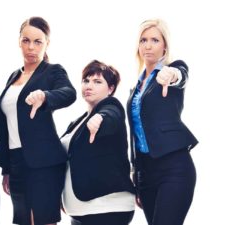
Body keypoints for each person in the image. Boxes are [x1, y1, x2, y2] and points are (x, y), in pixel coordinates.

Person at [0, 16, 76, 225]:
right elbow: (7, 124)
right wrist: (6, 168)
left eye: (38, 41)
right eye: (26, 40)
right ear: (19, 41)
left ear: (47, 43)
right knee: (23, 220)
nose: (31, 47)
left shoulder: (52, 71)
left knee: (42, 220)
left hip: (44, 161)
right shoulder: (13, 76)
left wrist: (45, 97)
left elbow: (69, 93)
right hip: (16, 161)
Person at [127, 19, 198, 225]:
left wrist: (171, 74)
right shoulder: (136, 87)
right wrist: (136, 174)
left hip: (174, 167)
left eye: (155, 40)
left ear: (165, 45)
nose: (148, 45)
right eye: (143, 40)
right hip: (145, 173)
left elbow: (181, 75)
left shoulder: (172, 69)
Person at [61, 60, 135, 225]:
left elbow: (111, 115)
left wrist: (100, 118)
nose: (89, 85)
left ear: (111, 89)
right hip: (80, 210)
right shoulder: (76, 123)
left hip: (107, 208)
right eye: (86, 80)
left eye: (97, 81)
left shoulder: (111, 107)